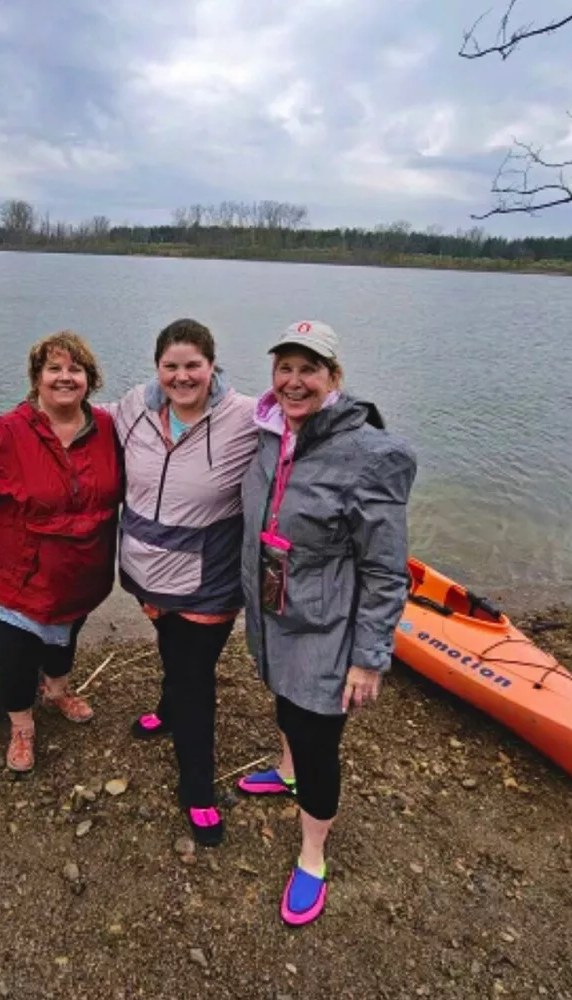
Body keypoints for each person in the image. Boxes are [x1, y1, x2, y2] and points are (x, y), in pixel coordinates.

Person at [238, 320, 416, 925]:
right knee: (284, 706)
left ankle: (312, 854)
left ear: (335, 378)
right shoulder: (269, 432)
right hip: (273, 614)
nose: (294, 381)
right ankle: (284, 773)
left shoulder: (372, 454)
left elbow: (388, 570)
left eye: (309, 369)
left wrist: (370, 657)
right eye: (284, 367)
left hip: (327, 627)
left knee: (317, 740)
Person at [0, 330, 123, 774]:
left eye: (75, 369)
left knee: (65, 638)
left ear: (89, 380)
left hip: (83, 571)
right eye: (53, 368)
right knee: (16, 656)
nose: (64, 377)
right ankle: (21, 726)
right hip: (22, 575)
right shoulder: (7, 432)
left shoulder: (108, 428)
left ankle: (58, 690)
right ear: (37, 378)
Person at [104, 319, 257, 846]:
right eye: (171, 366)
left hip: (207, 583)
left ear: (212, 366)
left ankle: (197, 789)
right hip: (147, 573)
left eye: (193, 365)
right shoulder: (133, 409)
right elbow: (80, 428)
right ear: (156, 369)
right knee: (170, 648)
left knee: (195, 680)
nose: (182, 376)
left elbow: (304, 434)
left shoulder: (248, 418)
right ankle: (167, 712)